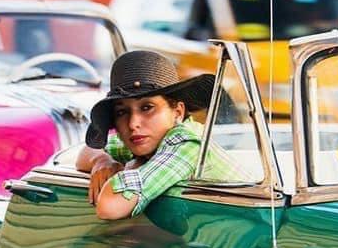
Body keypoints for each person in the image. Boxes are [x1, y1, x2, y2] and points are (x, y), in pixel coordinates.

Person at [76, 50, 247, 220]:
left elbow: (109, 207)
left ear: (178, 112)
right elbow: (87, 152)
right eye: (122, 112)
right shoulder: (148, 139)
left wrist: (134, 165)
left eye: (147, 107)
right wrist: (103, 161)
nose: (133, 123)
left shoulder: (186, 143)